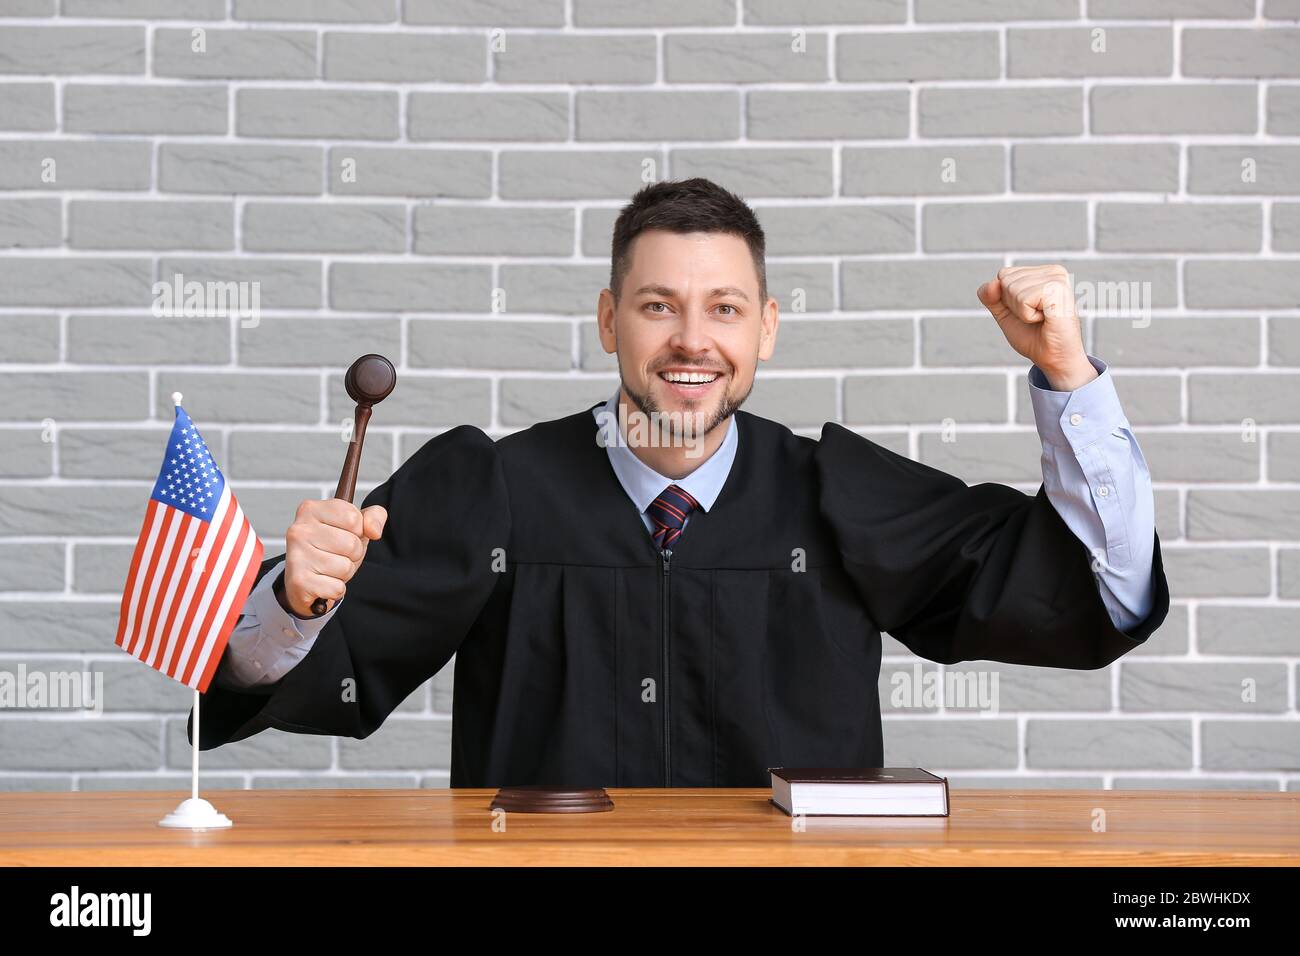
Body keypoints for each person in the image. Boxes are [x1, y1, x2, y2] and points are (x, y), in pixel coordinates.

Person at [189, 178, 1169, 787]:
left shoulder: (835, 491)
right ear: (609, 320)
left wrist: (1068, 377)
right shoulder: (497, 488)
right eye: (658, 305)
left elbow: (1094, 590)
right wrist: (292, 596)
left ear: (765, 328)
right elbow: (301, 668)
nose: (692, 338)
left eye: (724, 307)